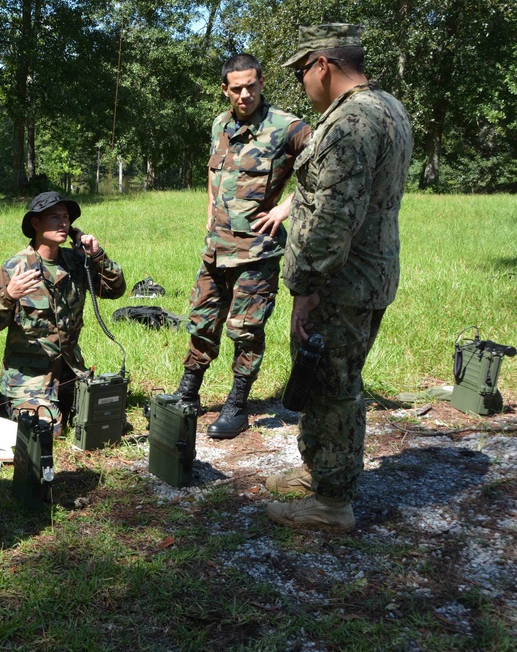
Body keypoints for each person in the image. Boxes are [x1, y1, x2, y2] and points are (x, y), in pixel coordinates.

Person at [265, 24, 413, 531]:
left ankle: (331, 503)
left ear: (323, 65)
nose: (302, 82)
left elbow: (331, 224)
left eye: (303, 70)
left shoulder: (349, 123)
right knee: (332, 380)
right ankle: (319, 471)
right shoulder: (389, 107)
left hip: (339, 283)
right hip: (370, 275)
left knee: (331, 387)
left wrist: (305, 291)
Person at [176, 54, 311, 439]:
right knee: (202, 321)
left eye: (252, 85)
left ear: (262, 82)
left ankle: (237, 405)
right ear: (225, 89)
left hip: (257, 251)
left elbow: (327, 162)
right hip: (216, 248)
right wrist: (209, 210)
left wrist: (287, 207)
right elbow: (213, 169)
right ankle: (189, 391)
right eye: (237, 88)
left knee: (246, 328)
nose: (245, 94)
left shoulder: (287, 127)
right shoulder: (220, 123)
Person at [0, 191, 126, 433]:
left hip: (70, 370)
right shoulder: (16, 266)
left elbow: (114, 290)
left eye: (66, 217)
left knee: (104, 413)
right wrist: (9, 294)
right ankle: (4, 406)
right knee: (49, 430)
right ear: (36, 223)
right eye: (54, 217)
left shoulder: (76, 262)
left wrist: (96, 255)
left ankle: (44, 405)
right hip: (29, 377)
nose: (63, 223)